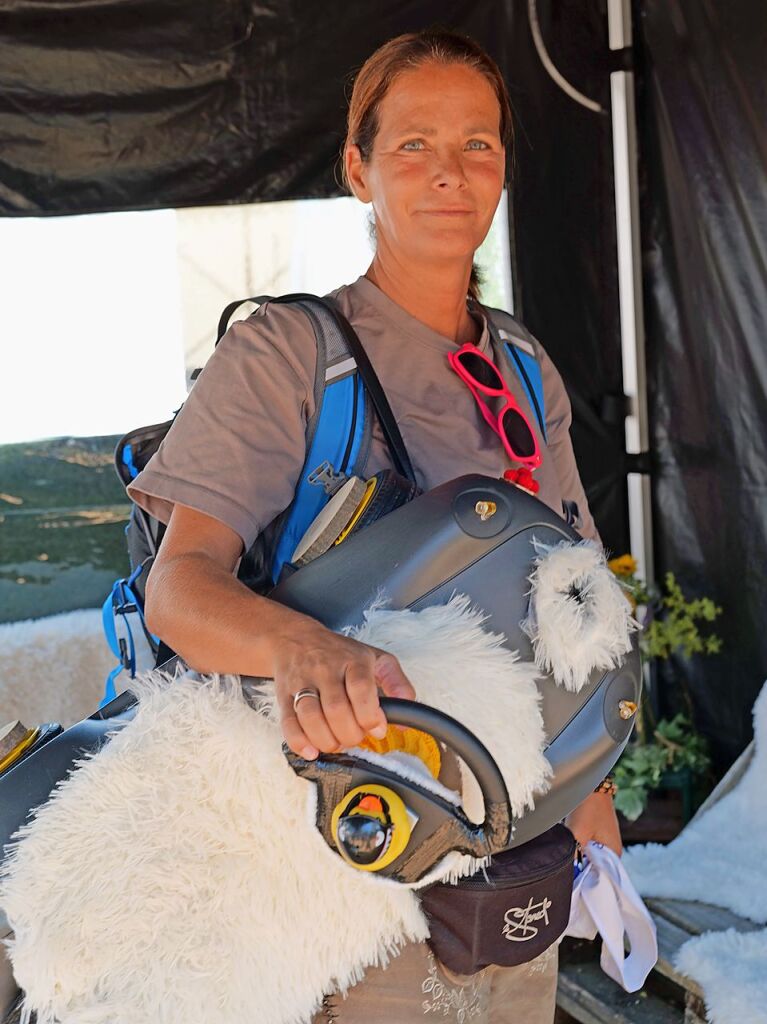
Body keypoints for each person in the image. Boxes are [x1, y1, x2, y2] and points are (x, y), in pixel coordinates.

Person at [128, 29, 622, 1024]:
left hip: (505, 862)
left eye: (477, 145)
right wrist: (301, 646)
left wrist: (598, 844)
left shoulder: (524, 370)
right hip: (336, 880)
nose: (449, 174)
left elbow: (576, 610)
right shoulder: (290, 356)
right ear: (358, 168)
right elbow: (177, 588)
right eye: (412, 146)